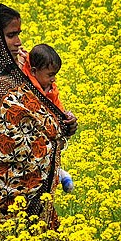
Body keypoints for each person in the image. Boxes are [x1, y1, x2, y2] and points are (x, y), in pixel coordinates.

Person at [0, 4, 78, 240]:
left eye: (18, 34)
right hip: (3, 181)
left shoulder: (22, 64)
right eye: (10, 35)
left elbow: (43, 105)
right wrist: (55, 128)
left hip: (34, 185)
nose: (18, 42)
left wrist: (64, 122)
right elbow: (10, 126)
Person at [22, 43, 76, 193]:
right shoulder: (25, 83)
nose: (53, 79)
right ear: (34, 71)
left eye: (55, 75)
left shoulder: (51, 89)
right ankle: (59, 173)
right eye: (50, 75)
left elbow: (58, 108)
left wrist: (66, 117)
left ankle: (58, 172)